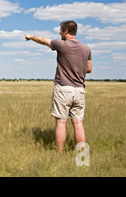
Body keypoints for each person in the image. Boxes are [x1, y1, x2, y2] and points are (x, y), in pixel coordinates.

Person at [24, 21, 92, 153]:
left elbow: (43, 40)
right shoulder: (86, 48)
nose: (59, 33)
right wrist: (76, 69)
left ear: (66, 31)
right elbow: (88, 69)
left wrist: (30, 37)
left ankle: (59, 154)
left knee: (61, 122)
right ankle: (82, 155)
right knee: (78, 124)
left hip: (63, 89)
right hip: (79, 90)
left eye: (60, 30)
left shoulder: (61, 45)